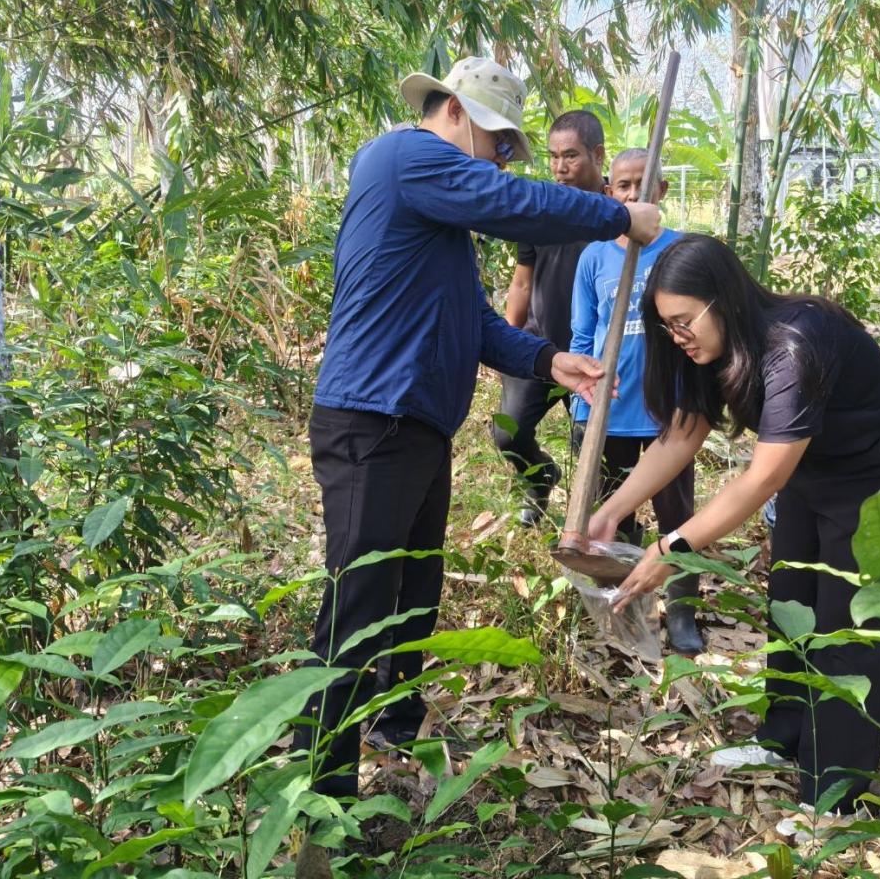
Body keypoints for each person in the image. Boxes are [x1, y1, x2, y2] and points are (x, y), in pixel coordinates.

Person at [298, 56, 662, 830]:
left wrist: (549, 361)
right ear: (456, 112)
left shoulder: (441, 224)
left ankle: (394, 730)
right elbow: (511, 202)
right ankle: (321, 792)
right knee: (357, 606)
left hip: (416, 428)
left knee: (413, 595)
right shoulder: (402, 156)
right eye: (500, 144)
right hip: (370, 421)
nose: (500, 161)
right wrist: (616, 216)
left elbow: (479, 322)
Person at [589, 234, 880, 813]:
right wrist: (611, 511)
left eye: (683, 322)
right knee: (793, 602)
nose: (678, 337)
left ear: (722, 299)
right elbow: (680, 436)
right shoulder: (711, 349)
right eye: (667, 327)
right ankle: (784, 738)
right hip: (812, 469)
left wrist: (673, 546)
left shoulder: (796, 343)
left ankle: (830, 796)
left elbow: (763, 476)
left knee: (849, 629)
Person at [569, 148, 702, 654]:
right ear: (609, 193)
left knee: (677, 516)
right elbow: (583, 334)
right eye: (622, 185)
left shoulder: (679, 251)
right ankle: (622, 612)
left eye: (642, 184)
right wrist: (583, 400)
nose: (632, 194)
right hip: (610, 411)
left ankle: (683, 610)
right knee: (613, 519)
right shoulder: (594, 256)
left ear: (661, 191)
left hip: (668, 412)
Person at [492, 111, 607, 526]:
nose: (560, 167)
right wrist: (505, 342)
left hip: (594, 353)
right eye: (554, 157)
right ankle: (539, 478)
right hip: (539, 346)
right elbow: (523, 282)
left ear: (598, 155)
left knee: (591, 448)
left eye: (571, 156)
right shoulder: (540, 210)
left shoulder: (618, 211)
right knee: (508, 433)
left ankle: (600, 527)